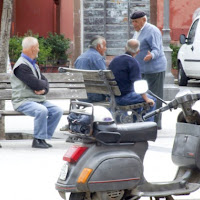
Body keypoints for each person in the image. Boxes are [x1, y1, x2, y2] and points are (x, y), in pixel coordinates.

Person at [10, 37, 63, 148]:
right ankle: (38, 140)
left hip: (37, 100)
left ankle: (44, 138)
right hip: (23, 101)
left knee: (57, 111)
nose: (39, 50)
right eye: (38, 47)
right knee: (41, 110)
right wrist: (42, 85)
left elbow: (44, 82)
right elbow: (36, 84)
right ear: (33, 48)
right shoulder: (21, 66)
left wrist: (44, 89)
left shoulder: (33, 64)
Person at [130, 11, 167, 129]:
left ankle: (156, 123)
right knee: (143, 95)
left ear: (143, 20)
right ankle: (145, 119)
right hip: (142, 69)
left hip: (155, 69)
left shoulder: (152, 30)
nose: (134, 24)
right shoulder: (137, 32)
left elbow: (157, 49)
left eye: (136, 21)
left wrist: (152, 55)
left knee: (155, 95)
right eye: (132, 22)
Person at [109, 39, 156, 122]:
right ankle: (148, 125)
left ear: (125, 48)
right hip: (124, 97)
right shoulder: (133, 62)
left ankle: (136, 122)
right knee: (152, 99)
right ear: (138, 51)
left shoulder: (114, 60)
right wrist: (147, 99)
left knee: (139, 97)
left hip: (113, 97)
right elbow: (138, 84)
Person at [74, 35, 107, 103]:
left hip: (80, 95)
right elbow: (106, 78)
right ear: (98, 46)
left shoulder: (80, 57)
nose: (105, 48)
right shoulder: (98, 58)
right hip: (95, 96)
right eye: (104, 46)